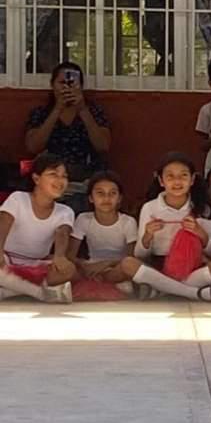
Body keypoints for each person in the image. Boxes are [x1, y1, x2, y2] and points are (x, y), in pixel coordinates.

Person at [130, 153, 211, 302]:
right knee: (129, 264)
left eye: (183, 176)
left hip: (192, 268)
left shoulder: (202, 209)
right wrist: (148, 235)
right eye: (170, 176)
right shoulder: (150, 208)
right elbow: (140, 255)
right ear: (161, 181)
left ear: (192, 179)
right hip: (159, 267)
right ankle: (193, 293)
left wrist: (200, 233)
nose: (177, 181)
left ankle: (161, 289)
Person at [24, 63, 112, 213]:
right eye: (62, 83)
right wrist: (57, 109)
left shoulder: (94, 111)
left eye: (72, 83)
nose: (67, 87)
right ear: (52, 85)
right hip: (51, 178)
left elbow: (103, 146)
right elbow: (33, 147)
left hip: (85, 177)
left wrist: (82, 109)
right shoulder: (41, 113)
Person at [0, 152, 76, 303]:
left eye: (64, 176)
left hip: (35, 264)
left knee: (69, 270)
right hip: (5, 259)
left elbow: (62, 232)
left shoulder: (65, 211)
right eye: (53, 174)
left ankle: (9, 291)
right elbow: (4, 222)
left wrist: (59, 256)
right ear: (36, 178)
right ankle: (38, 293)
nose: (60, 180)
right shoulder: (18, 198)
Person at [70, 170, 138, 289]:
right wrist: (84, 265)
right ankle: (101, 283)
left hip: (117, 267)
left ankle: (100, 283)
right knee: (64, 267)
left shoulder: (128, 222)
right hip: (91, 267)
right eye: (100, 193)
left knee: (130, 268)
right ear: (91, 198)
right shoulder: (83, 219)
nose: (106, 198)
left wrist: (106, 264)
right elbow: (70, 255)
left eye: (112, 193)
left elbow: (131, 258)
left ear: (119, 198)